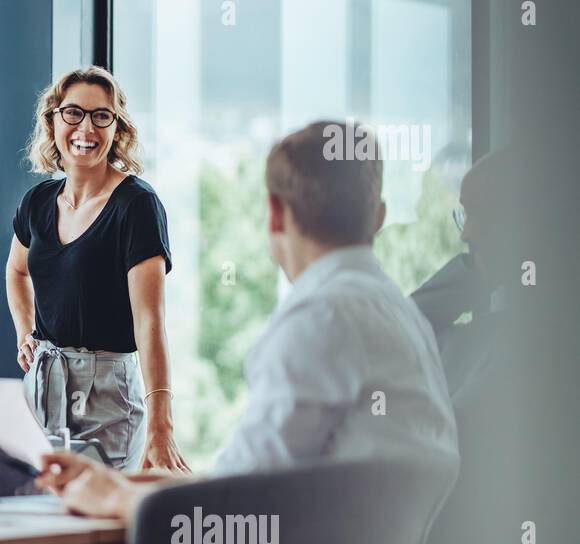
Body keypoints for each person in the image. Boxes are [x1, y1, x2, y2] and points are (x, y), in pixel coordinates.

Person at [36, 121, 460, 519]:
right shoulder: (402, 315)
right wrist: (129, 483)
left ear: (274, 214)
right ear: (378, 217)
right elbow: (259, 478)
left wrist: (111, 496)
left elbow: (236, 510)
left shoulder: (320, 320)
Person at [7, 66, 187, 473]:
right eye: (73, 113)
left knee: (98, 525)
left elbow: (150, 321)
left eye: (100, 116)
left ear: (117, 128)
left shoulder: (137, 205)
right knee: (36, 516)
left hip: (107, 393)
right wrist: (24, 333)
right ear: (53, 121)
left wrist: (162, 424)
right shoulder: (37, 202)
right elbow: (17, 272)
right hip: (42, 385)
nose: (85, 128)